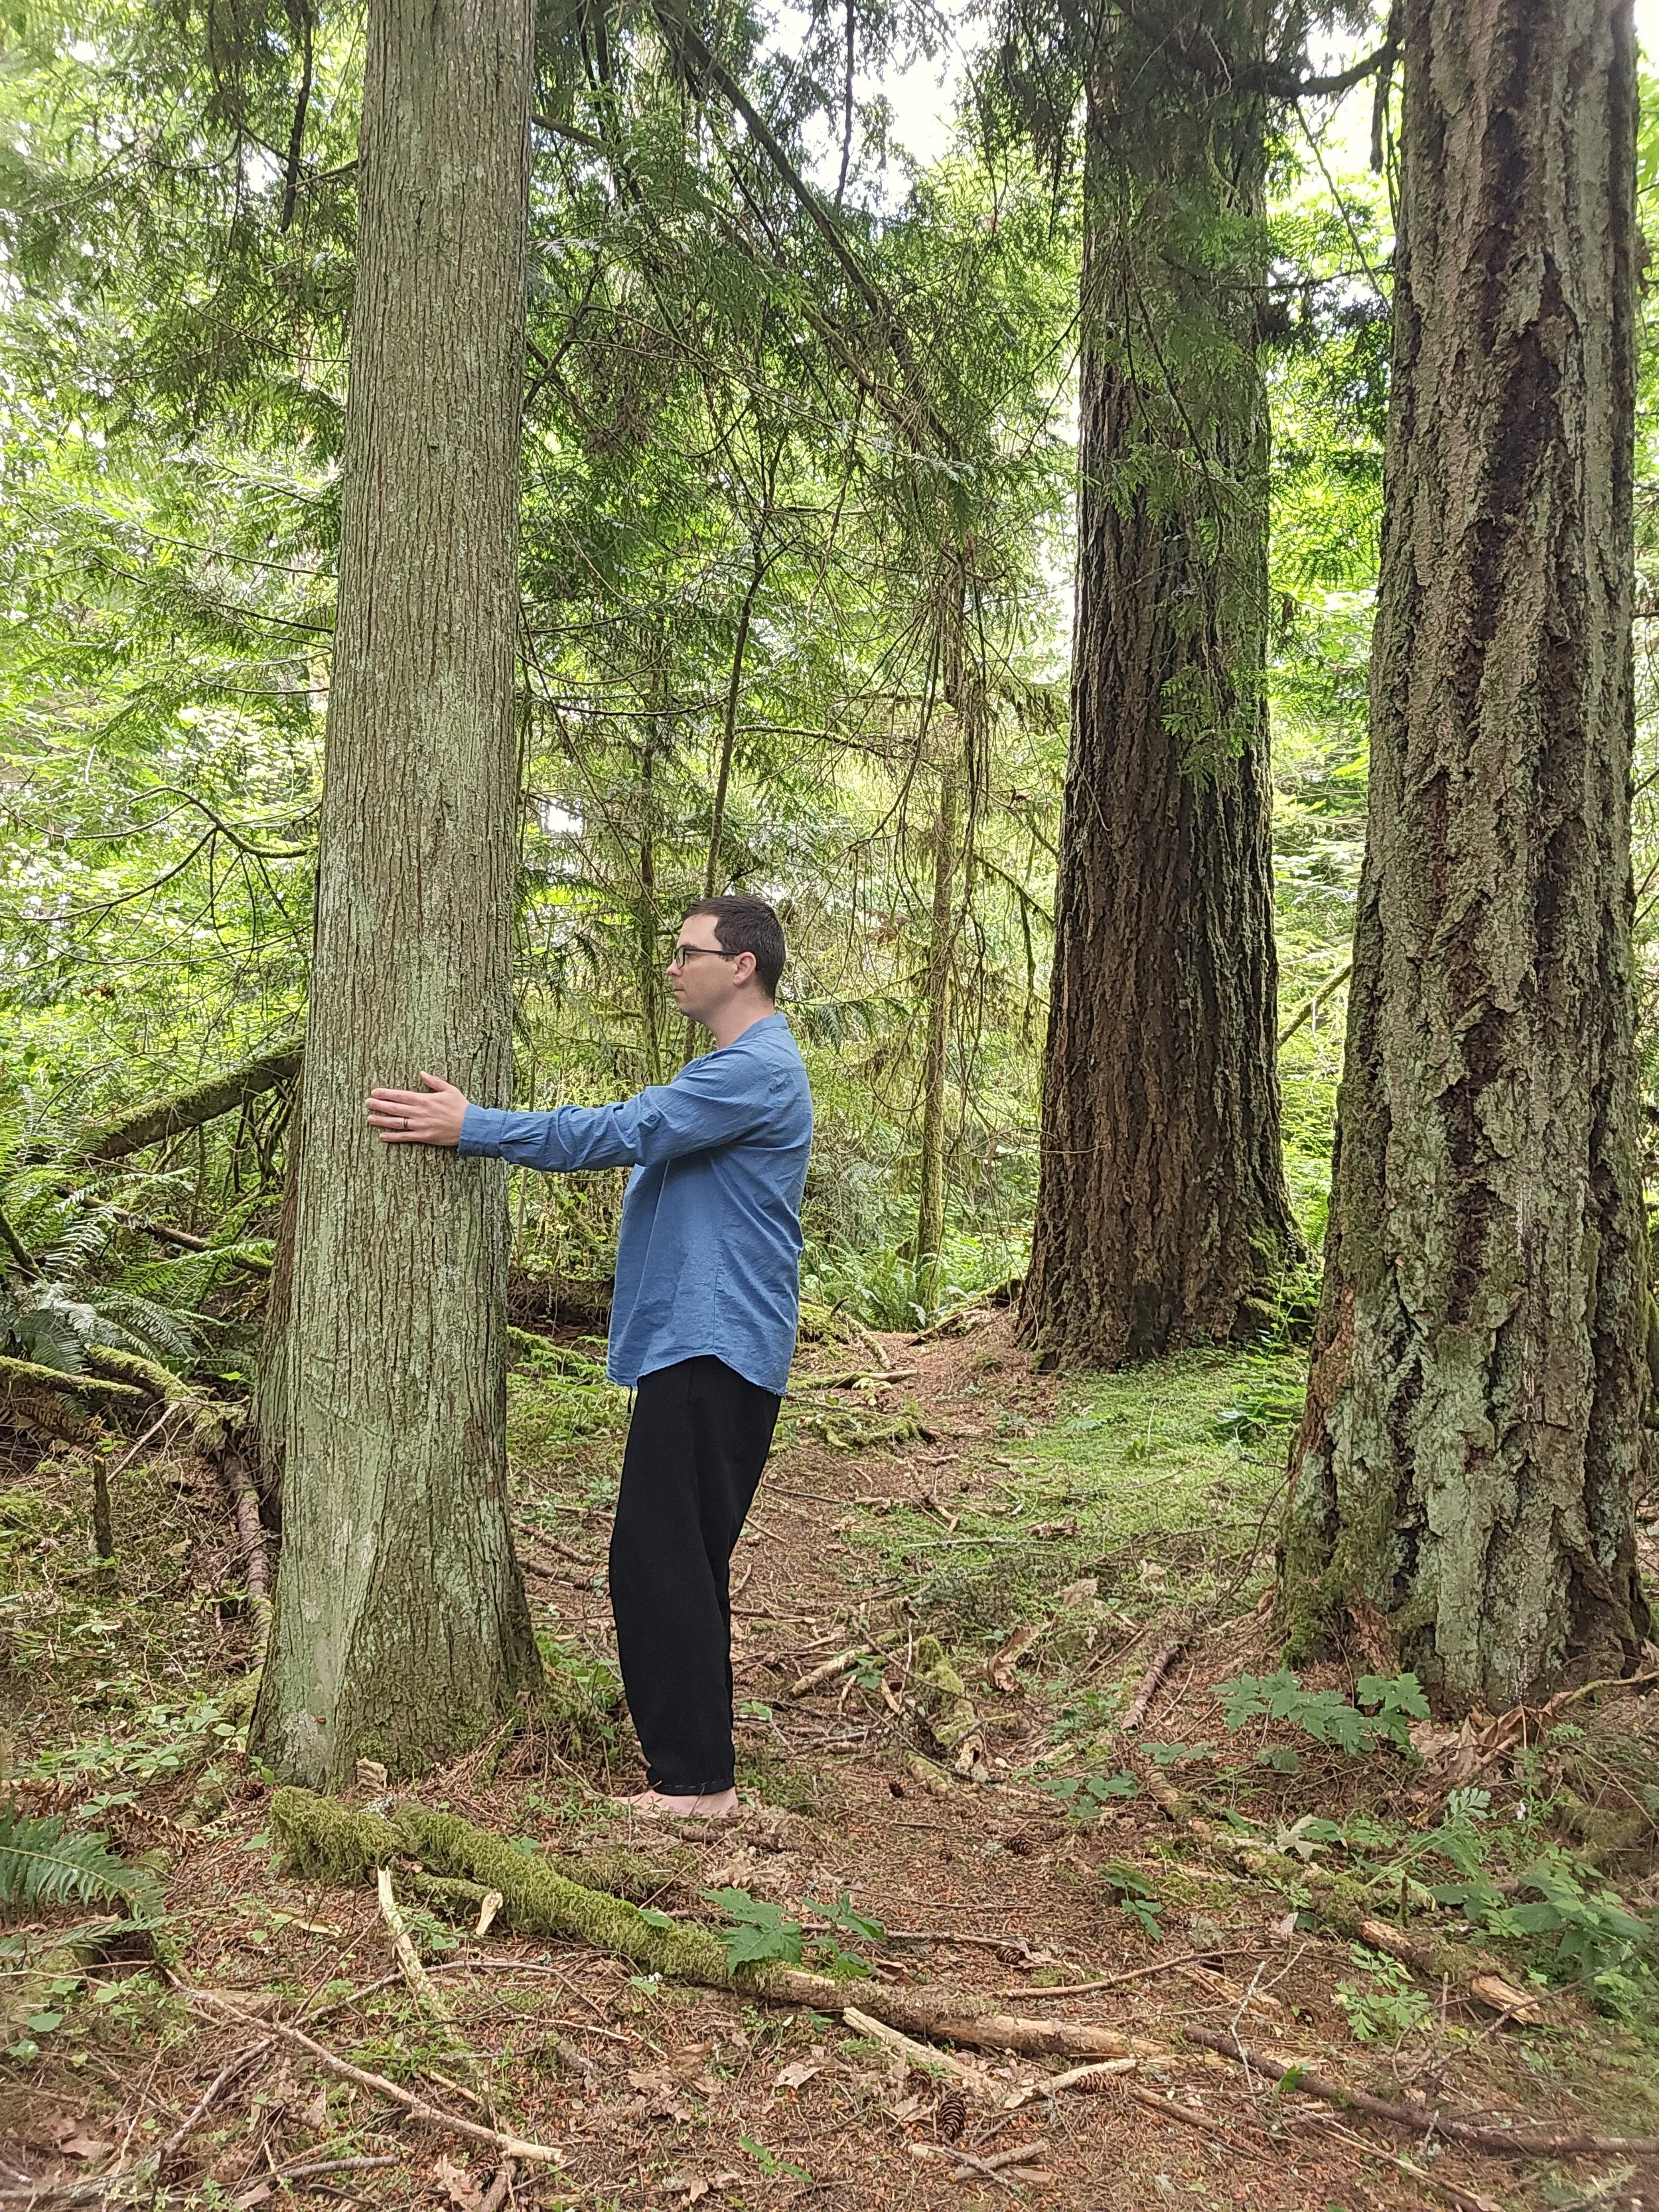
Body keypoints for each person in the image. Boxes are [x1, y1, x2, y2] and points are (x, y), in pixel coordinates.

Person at [365, 895, 812, 1820]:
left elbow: (621, 1131)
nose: (674, 966)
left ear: (742, 966)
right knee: (680, 1558)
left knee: (659, 1559)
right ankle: (699, 1773)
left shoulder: (752, 1070)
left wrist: (475, 1126)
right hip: (710, 1342)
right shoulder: (739, 1067)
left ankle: (695, 1787)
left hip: (715, 1343)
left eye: (689, 952)